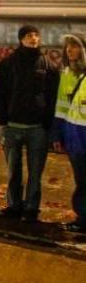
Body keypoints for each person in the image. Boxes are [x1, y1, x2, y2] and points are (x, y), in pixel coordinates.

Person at [0, 25, 59, 223]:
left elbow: (53, 96)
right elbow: (0, 93)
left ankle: (31, 208)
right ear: (21, 39)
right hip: (13, 127)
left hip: (38, 128)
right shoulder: (8, 63)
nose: (34, 38)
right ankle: (14, 205)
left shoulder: (48, 64)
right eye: (29, 35)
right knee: (14, 171)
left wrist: (48, 121)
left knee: (36, 172)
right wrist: (2, 119)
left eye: (37, 35)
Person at [51, 33, 86, 233]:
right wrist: (57, 135)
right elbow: (61, 106)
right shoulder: (66, 73)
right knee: (81, 180)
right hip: (75, 137)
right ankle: (83, 218)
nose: (69, 50)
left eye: (74, 46)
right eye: (68, 47)